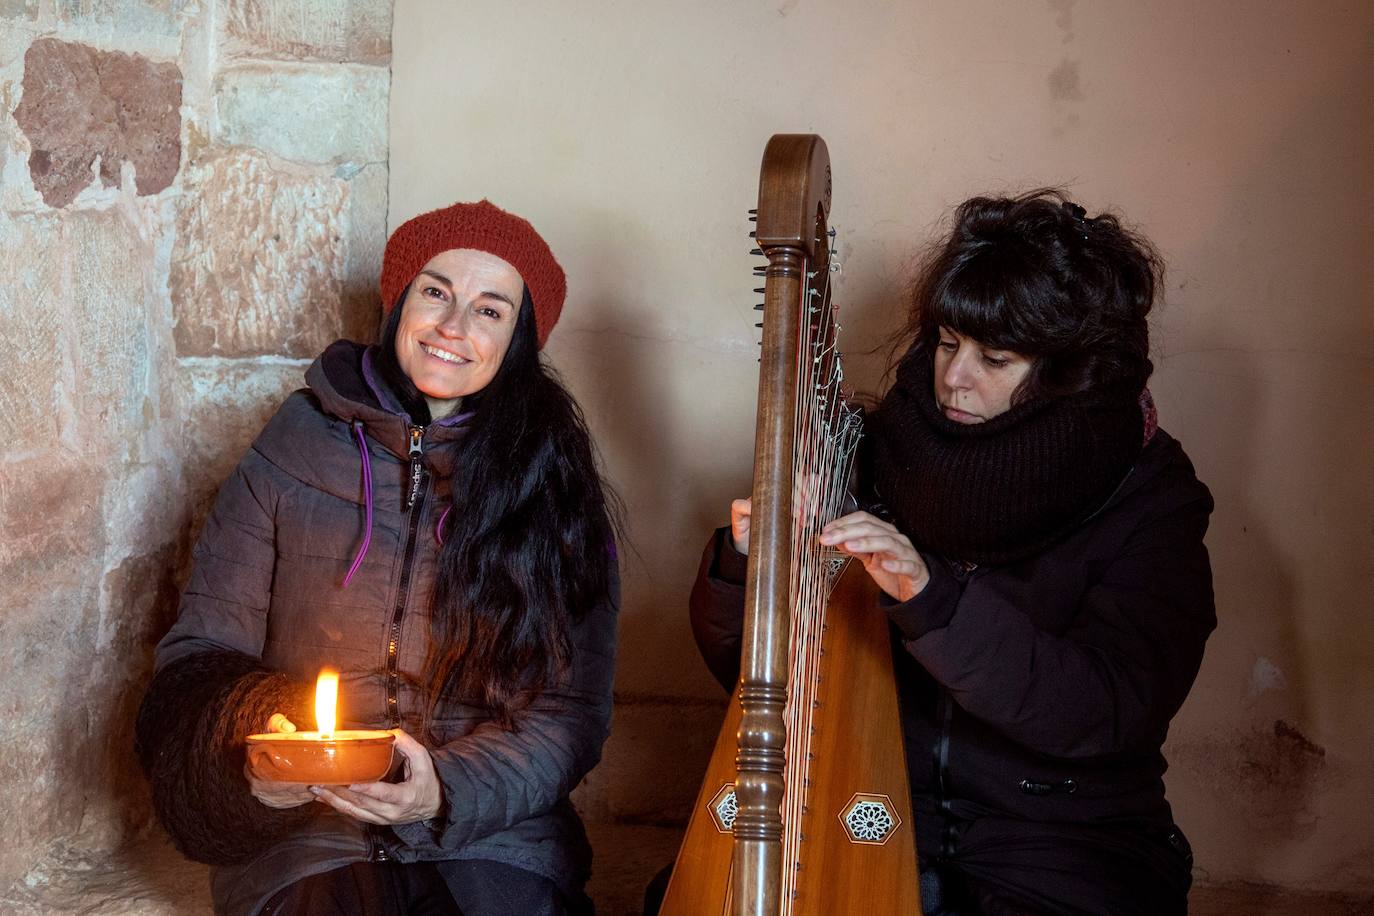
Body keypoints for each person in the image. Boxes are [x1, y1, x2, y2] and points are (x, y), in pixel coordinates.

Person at [688, 191, 1214, 915]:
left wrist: (933, 600)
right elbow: (754, 685)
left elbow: (1106, 709)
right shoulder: (870, 453)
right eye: (945, 342)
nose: (953, 378)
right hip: (874, 800)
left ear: (1073, 371)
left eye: (994, 357)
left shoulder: (1150, 494)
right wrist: (748, 565)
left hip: (1058, 832)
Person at [136, 200, 620, 916]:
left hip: (492, 835)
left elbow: (567, 715)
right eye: (435, 292)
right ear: (397, 302)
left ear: (518, 337)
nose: (453, 328)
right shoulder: (290, 448)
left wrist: (442, 792)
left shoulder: (554, 486)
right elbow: (202, 651)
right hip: (310, 834)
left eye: (490, 310)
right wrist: (257, 761)